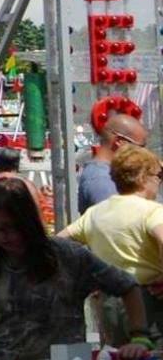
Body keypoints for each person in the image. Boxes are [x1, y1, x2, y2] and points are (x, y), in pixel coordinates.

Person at [0, 175, 148, 360]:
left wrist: (139, 337)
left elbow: (127, 286)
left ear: (27, 222)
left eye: (11, 227)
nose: (4, 237)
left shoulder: (68, 256)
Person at [57, 144, 163, 345]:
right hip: (147, 301)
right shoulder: (152, 211)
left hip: (109, 303)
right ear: (143, 178)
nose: (159, 183)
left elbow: (60, 241)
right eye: (158, 176)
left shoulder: (95, 213)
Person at [79, 112, 146, 213]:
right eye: (140, 147)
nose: (144, 153)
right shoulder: (102, 179)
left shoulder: (112, 174)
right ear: (120, 142)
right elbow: (118, 223)